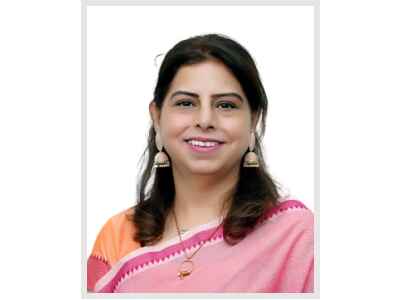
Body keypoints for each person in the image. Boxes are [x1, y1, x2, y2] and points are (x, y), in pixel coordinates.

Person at [87, 33, 314, 293]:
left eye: (226, 105)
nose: (205, 120)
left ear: (254, 120)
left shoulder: (297, 236)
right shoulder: (117, 237)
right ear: (157, 116)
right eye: (186, 103)